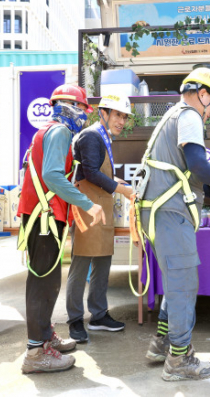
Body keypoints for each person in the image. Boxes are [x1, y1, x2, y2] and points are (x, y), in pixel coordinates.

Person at [137, 67, 210, 381]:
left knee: (175, 281)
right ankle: (179, 360)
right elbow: (197, 163)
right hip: (169, 212)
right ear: (203, 94)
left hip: (158, 211)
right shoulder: (189, 115)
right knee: (183, 284)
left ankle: (161, 343)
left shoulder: (171, 116)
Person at [17, 84, 105, 374]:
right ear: (66, 105)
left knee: (48, 280)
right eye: (80, 108)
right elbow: (53, 175)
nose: (83, 114)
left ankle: (44, 337)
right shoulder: (59, 131)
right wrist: (87, 204)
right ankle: (35, 351)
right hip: (43, 218)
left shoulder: (49, 131)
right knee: (43, 282)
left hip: (43, 216)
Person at [67, 94, 133, 342]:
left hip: (102, 204)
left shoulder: (102, 137)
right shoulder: (91, 136)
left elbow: (96, 171)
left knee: (103, 261)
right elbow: (91, 173)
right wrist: (121, 189)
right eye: (117, 115)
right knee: (81, 263)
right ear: (102, 113)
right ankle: (74, 319)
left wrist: (119, 183)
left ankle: (98, 314)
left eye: (124, 117)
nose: (121, 121)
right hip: (87, 206)